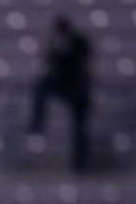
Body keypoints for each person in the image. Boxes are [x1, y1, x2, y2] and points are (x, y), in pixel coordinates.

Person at [29, 16, 93, 171]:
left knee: (80, 128)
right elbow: (50, 64)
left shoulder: (79, 42)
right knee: (40, 86)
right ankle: (37, 124)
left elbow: (84, 65)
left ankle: (80, 164)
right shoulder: (55, 44)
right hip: (62, 84)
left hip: (78, 88)